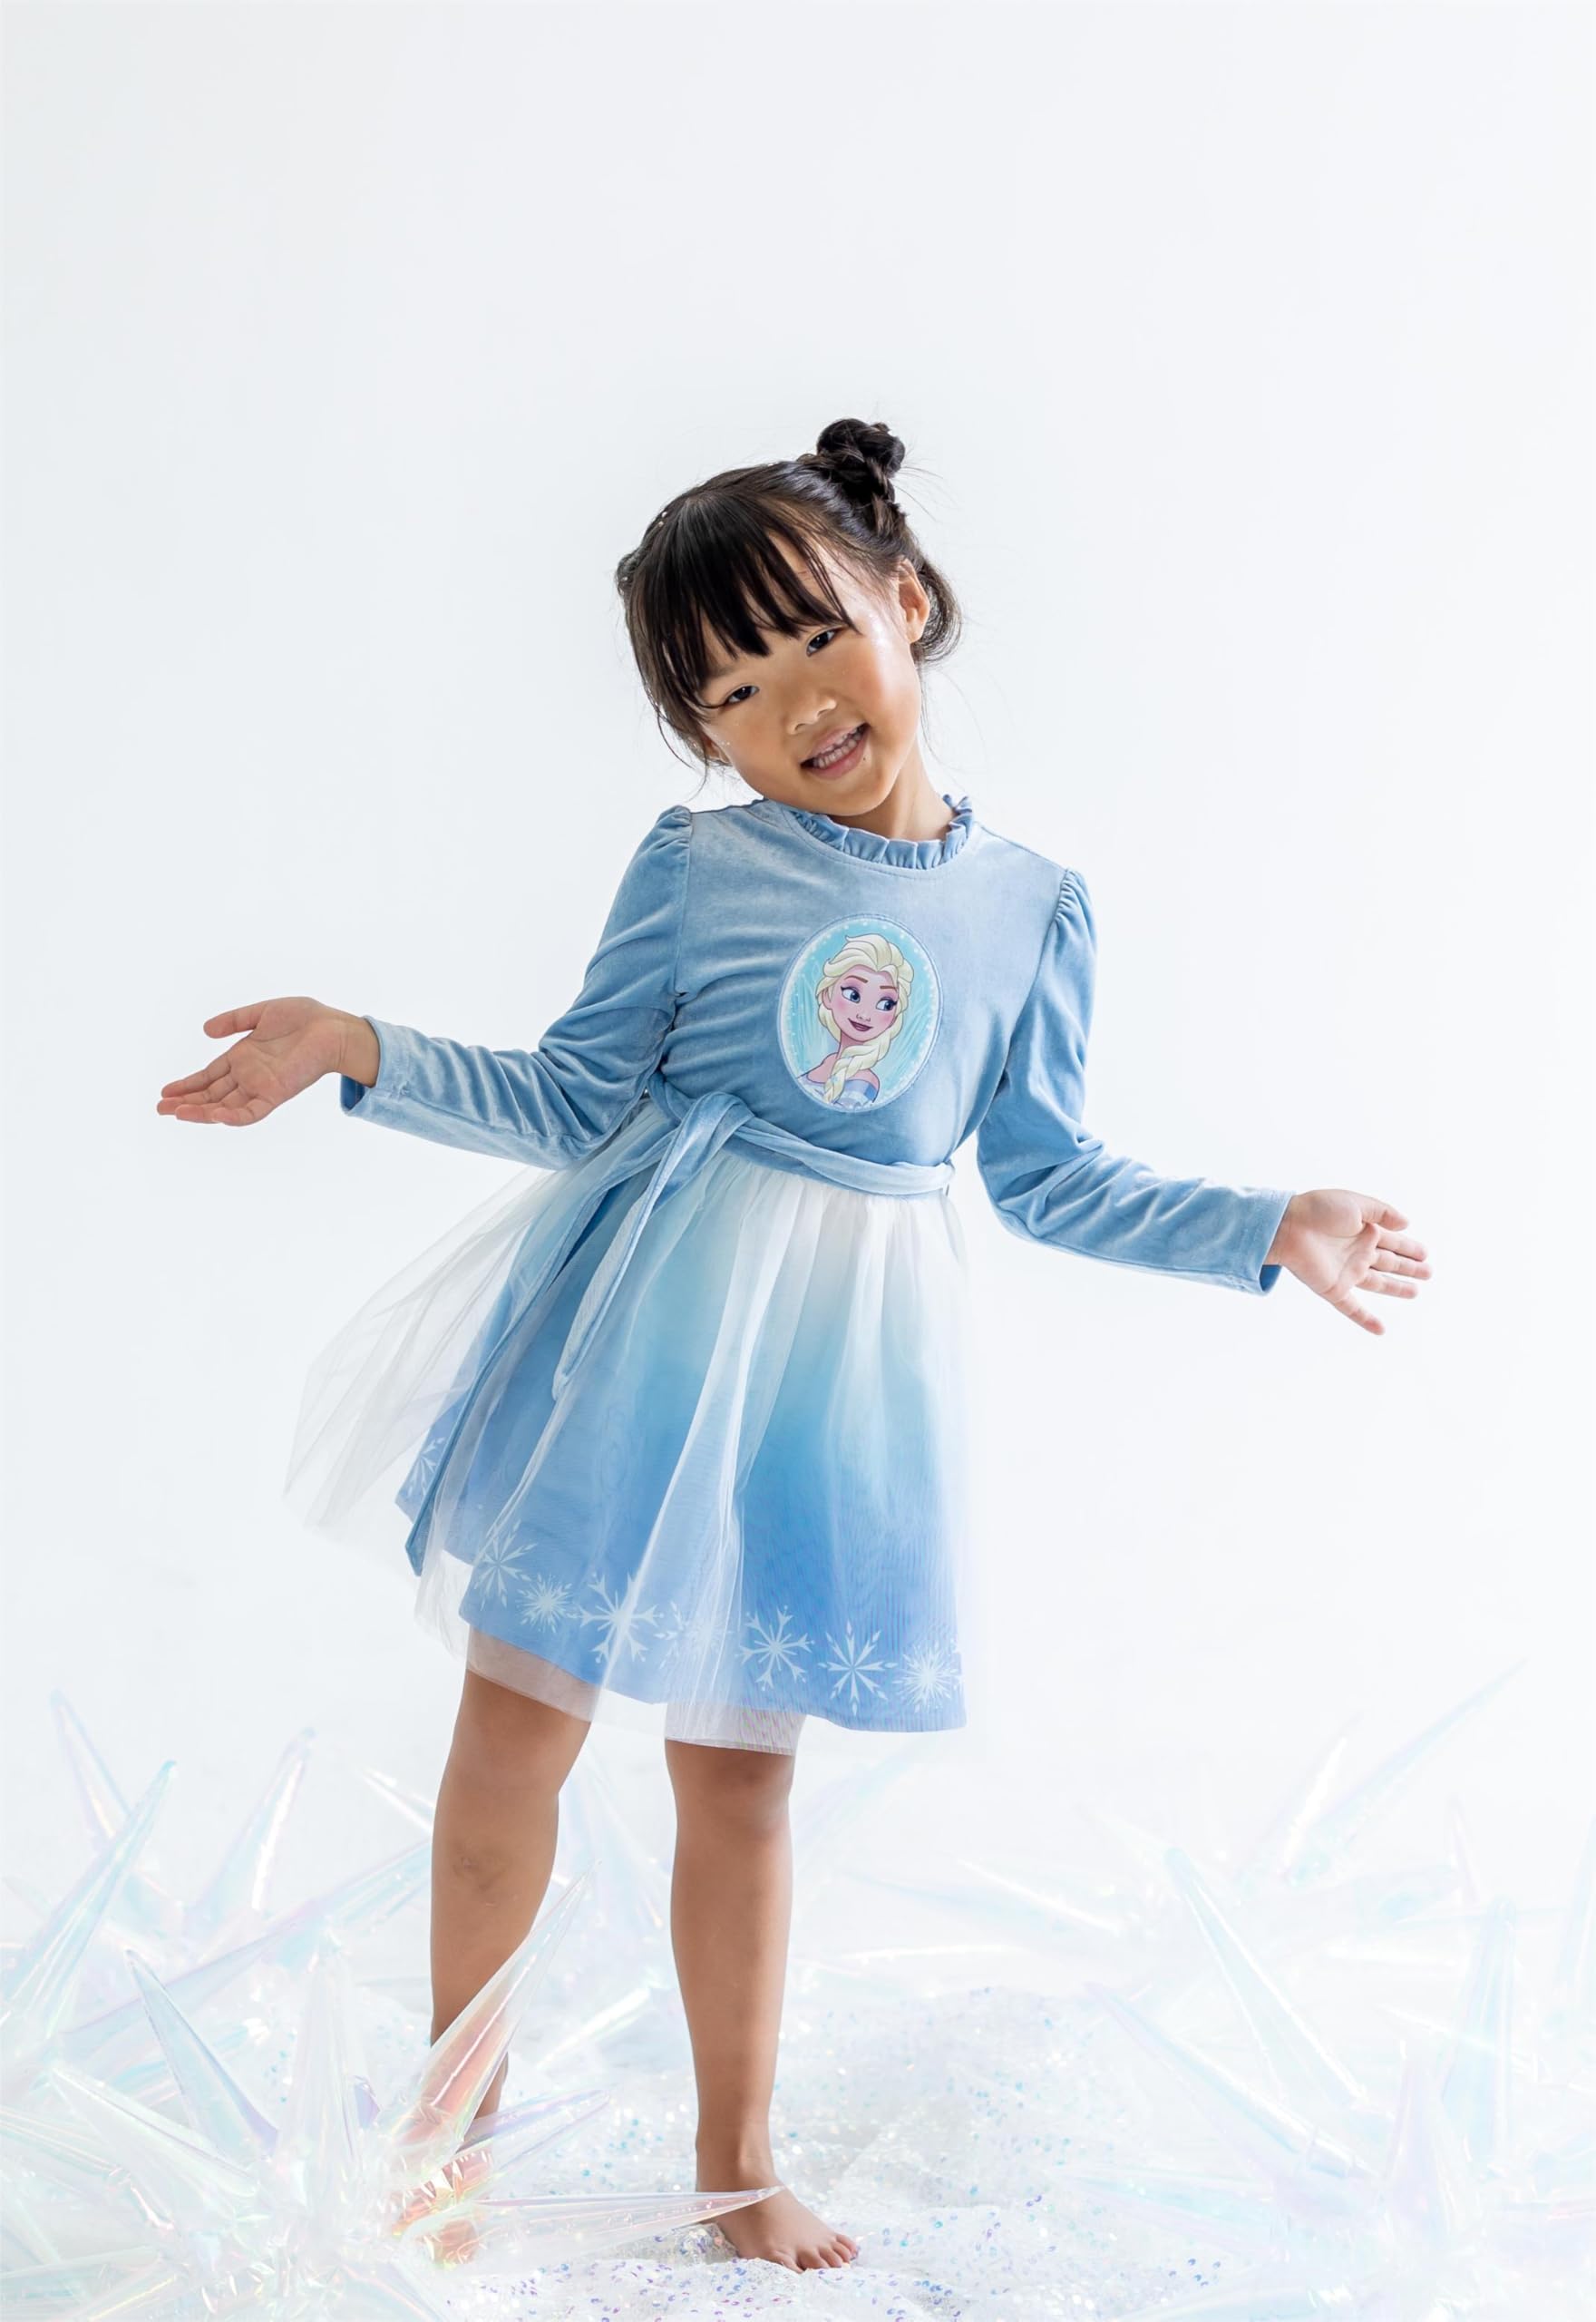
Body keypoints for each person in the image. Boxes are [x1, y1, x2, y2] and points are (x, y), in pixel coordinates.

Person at [155, 416, 1430, 2272]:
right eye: (734, 692)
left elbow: (1046, 1176)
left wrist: (1262, 1222)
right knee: (515, 1731)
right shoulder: (699, 870)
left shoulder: (1030, 910)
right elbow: (574, 1095)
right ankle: (444, 2146)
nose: (795, 705)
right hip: (651, 1344)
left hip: (835, 1390)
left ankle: (738, 2159)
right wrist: (361, 1045)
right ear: (705, 737)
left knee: (742, 1777)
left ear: (904, 598)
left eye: (816, 637)